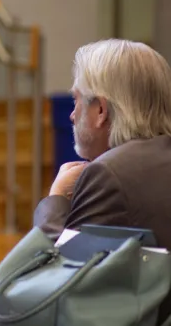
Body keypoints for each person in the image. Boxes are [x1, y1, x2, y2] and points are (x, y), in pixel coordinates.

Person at [33, 39, 171, 323]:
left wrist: (55, 198)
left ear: (101, 111)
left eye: (76, 100)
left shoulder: (107, 174)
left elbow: (52, 282)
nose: (71, 115)